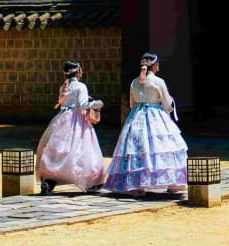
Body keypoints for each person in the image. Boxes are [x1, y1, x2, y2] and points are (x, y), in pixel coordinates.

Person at [102, 52, 188, 196]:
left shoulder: (134, 82)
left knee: (135, 148)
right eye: (157, 65)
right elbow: (166, 103)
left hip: (137, 115)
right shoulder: (158, 81)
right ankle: (173, 183)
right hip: (155, 114)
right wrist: (167, 108)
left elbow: (131, 103)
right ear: (154, 65)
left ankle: (136, 185)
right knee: (161, 147)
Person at [35, 61, 107, 194]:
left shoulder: (64, 86)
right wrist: (98, 103)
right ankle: (90, 181)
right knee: (81, 149)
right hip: (77, 120)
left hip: (63, 118)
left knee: (60, 149)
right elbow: (84, 104)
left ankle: (50, 180)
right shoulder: (81, 86)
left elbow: (65, 101)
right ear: (78, 71)